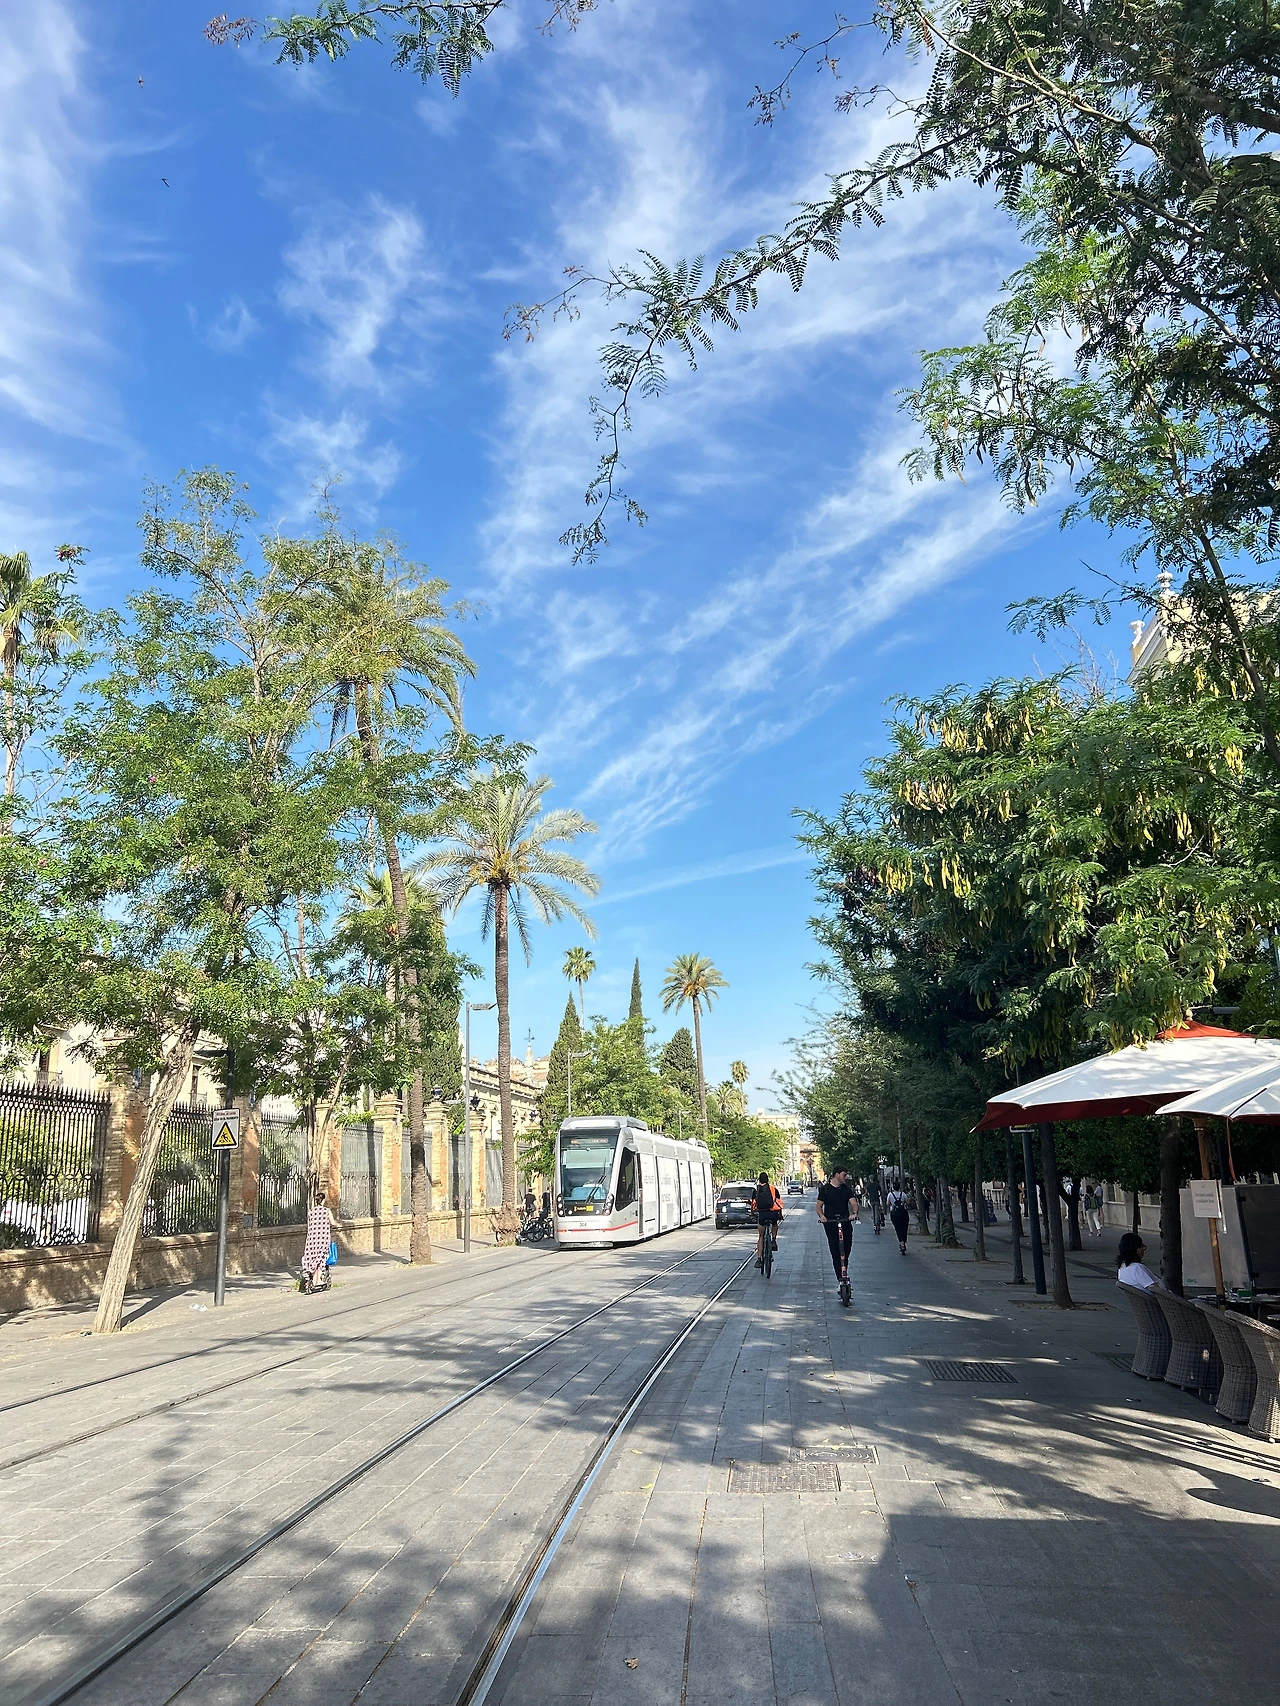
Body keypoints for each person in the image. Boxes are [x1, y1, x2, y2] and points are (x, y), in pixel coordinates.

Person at [816, 1166, 856, 1290]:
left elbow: (854, 1203)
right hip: (831, 1223)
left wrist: (854, 1213)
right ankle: (840, 1279)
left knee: (846, 1249)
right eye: (844, 1174)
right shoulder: (825, 1189)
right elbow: (818, 1206)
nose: (846, 1177)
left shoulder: (846, 1189)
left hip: (845, 1222)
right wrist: (822, 1216)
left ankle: (844, 1273)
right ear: (837, 1174)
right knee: (835, 1251)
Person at [301, 1182, 332, 1295]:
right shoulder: (326, 1211)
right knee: (320, 1259)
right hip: (322, 1239)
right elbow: (332, 1222)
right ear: (323, 1201)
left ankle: (311, 1277)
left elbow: (309, 1225)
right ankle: (317, 1280)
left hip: (311, 1239)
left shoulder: (311, 1212)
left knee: (312, 1257)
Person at [752, 1173, 783, 1268]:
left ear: (759, 1180)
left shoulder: (756, 1190)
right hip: (772, 1214)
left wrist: (753, 1213)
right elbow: (778, 1202)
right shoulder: (773, 1189)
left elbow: (753, 1204)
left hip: (762, 1215)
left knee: (761, 1236)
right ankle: (773, 1240)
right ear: (767, 1180)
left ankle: (759, 1259)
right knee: (775, 1224)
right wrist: (780, 1215)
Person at [885, 1183, 911, 1254]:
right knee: (904, 1228)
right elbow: (908, 1202)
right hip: (903, 1213)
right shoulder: (903, 1194)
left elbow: (888, 1204)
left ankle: (901, 1243)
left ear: (893, 1188)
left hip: (894, 1214)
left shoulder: (890, 1194)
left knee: (898, 1228)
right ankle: (903, 1241)